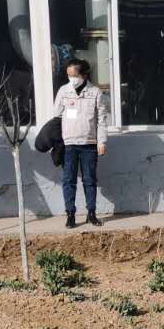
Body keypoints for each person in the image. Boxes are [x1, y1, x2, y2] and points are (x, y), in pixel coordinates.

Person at [52, 58, 108, 227]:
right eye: (69, 75)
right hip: (69, 145)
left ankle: (91, 213)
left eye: (74, 75)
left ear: (83, 75)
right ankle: (70, 214)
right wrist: (57, 142)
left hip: (89, 144)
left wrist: (102, 142)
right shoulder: (64, 91)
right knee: (69, 180)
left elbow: (101, 120)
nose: (72, 79)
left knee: (90, 180)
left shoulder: (95, 92)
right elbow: (56, 117)